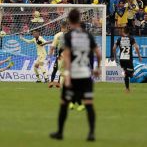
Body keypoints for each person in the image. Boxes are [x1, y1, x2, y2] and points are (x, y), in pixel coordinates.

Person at [50, 9, 102, 141]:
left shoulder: (68, 36)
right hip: (85, 75)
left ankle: (60, 132)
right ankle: (91, 134)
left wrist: (67, 74)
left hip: (73, 76)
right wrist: (98, 67)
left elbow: (66, 56)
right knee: (89, 104)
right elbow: (98, 53)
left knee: (64, 103)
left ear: (69, 21)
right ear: (79, 19)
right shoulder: (88, 35)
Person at [113, 28, 142, 93]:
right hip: (128, 59)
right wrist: (139, 56)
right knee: (131, 72)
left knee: (127, 73)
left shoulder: (119, 39)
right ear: (129, 32)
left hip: (121, 59)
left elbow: (114, 48)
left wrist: (115, 56)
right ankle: (127, 73)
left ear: (123, 31)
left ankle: (127, 89)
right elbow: (136, 47)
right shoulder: (131, 38)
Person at [48, 21, 67, 88]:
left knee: (55, 69)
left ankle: (52, 82)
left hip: (59, 56)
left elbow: (52, 47)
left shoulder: (57, 35)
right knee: (63, 71)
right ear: (67, 27)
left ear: (61, 27)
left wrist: (49, 58)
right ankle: (58, 83)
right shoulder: (70, 34)